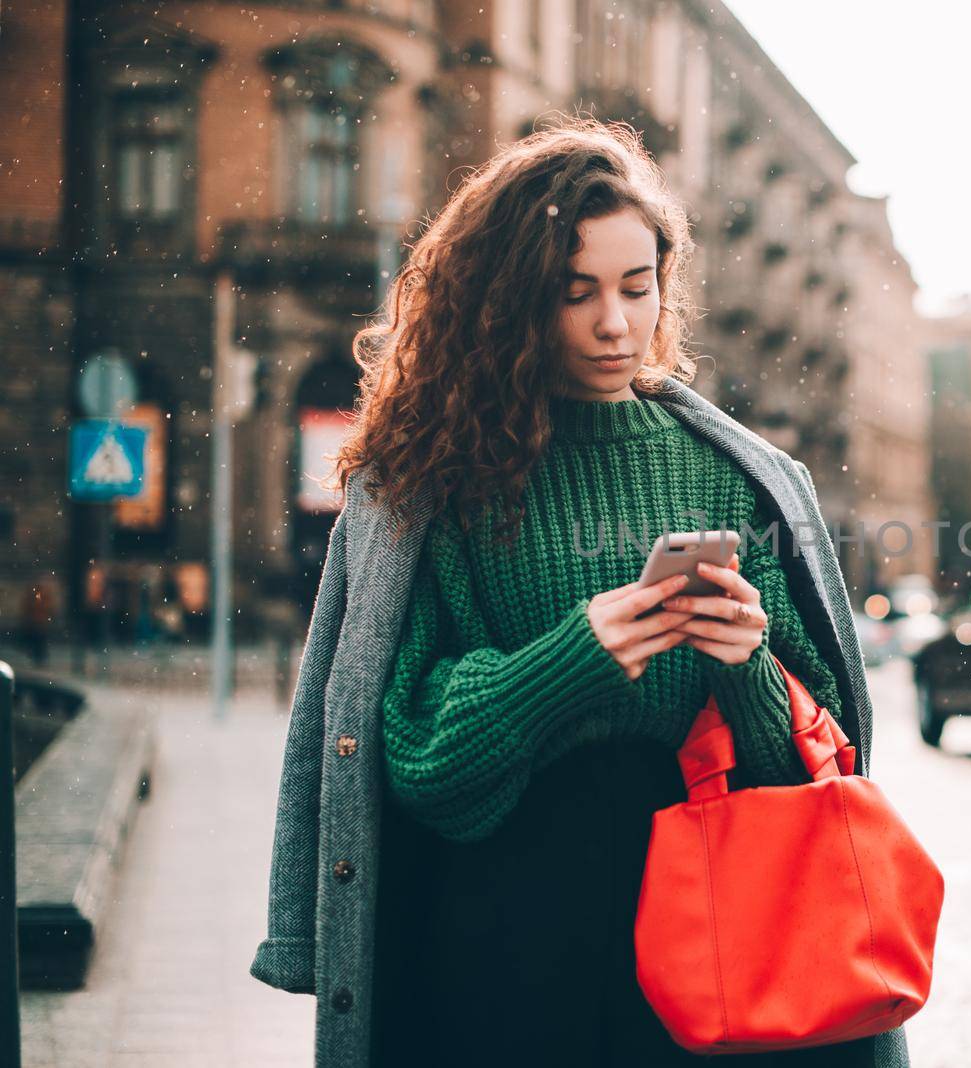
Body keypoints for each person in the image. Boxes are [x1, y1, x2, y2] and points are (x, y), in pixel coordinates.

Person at [250, 119, 906, 1068]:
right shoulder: (430, 480)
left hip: (713, 931)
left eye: (638, 288)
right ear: (508, 302)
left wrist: (746, 666)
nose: (615, 323)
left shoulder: (735, 474)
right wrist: (574, 660)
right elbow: (416, 763)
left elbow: (811, 772)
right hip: (491, 942)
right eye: (576, 293)